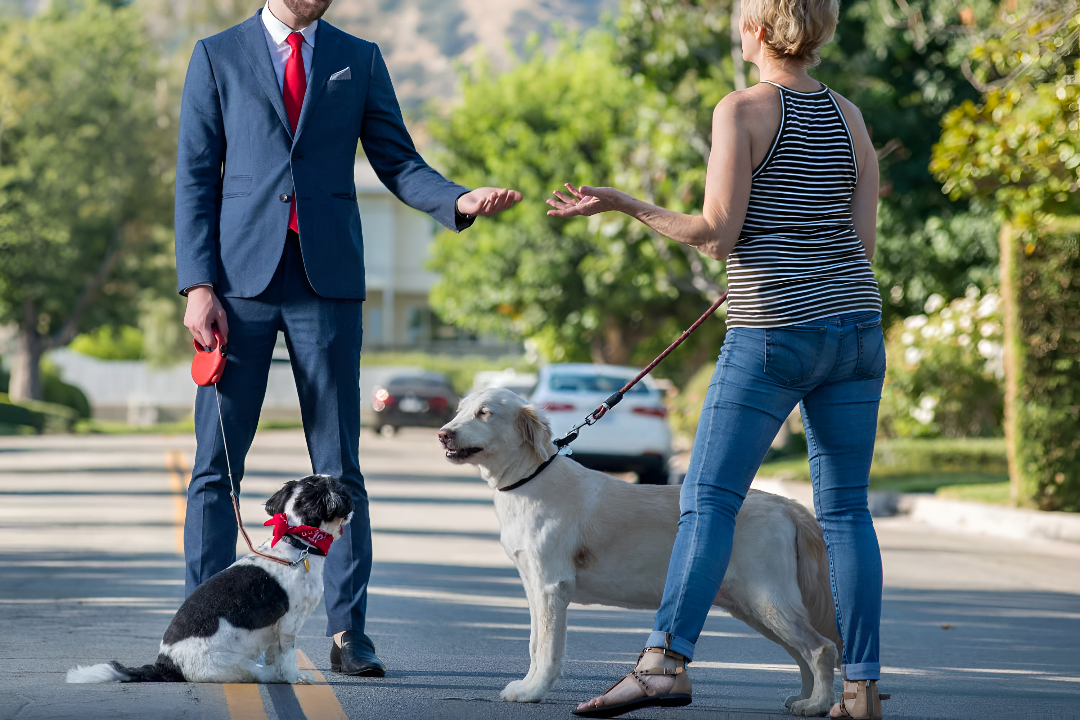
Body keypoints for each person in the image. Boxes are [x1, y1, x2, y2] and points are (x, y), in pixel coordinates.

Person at [546, 0, 885, 716]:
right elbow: (862, 243)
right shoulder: (849, 115)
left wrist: (623, 203)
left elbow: (714, 235)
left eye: (739, 18)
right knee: (848, 511)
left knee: (706, 502)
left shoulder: (742, 109)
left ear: (757, 30)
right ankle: (860, 688)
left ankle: (664, 662)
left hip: (774, 333)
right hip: (855, 327)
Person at [175, 0, 520, 677]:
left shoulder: (356, 59)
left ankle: (347, 631)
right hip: (236, 287)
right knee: (217, 469)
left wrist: (455, 199)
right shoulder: (215, 55)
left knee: (340, 469)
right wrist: (198, 285)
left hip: (327, 284)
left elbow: (398, 159)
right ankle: (202, 626)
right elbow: (194, 176)